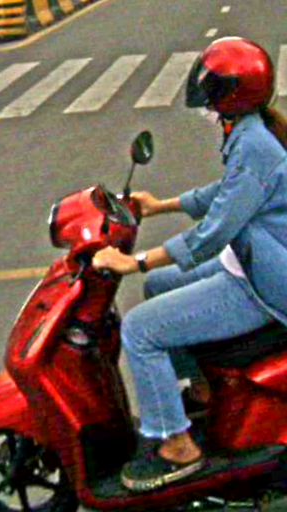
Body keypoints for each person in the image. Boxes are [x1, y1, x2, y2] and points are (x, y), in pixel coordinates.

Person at [92, 37, 287, 492]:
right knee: (159, 286)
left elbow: (212, 234)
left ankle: (178, 445)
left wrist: (135, 262)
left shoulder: (255, 144)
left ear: (231, 92)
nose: (203, 90)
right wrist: (162, 205)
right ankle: (201, 389)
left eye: (211, 83)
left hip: (266, 284)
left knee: (141, 329)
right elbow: (226, 193)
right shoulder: (248, 131)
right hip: (250, 262)